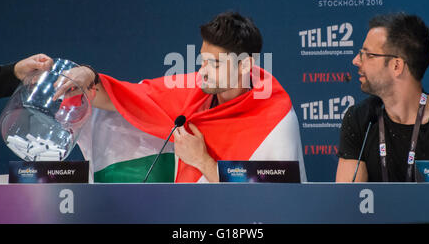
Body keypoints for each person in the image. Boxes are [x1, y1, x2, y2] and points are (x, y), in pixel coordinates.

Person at [65, 12, 306, 183]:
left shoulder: (276, 117)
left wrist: (202, 161)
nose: (203, 71)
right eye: (203, 60)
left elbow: (275, 194)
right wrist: (88, 76)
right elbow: (127, 98)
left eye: (216, 64)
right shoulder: (197, 88)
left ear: (245, 66)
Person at [336, 13, 429, 182]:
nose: (356, 60)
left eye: (368, 54)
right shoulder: (359, 119)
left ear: (396, 66)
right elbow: (347, 202)